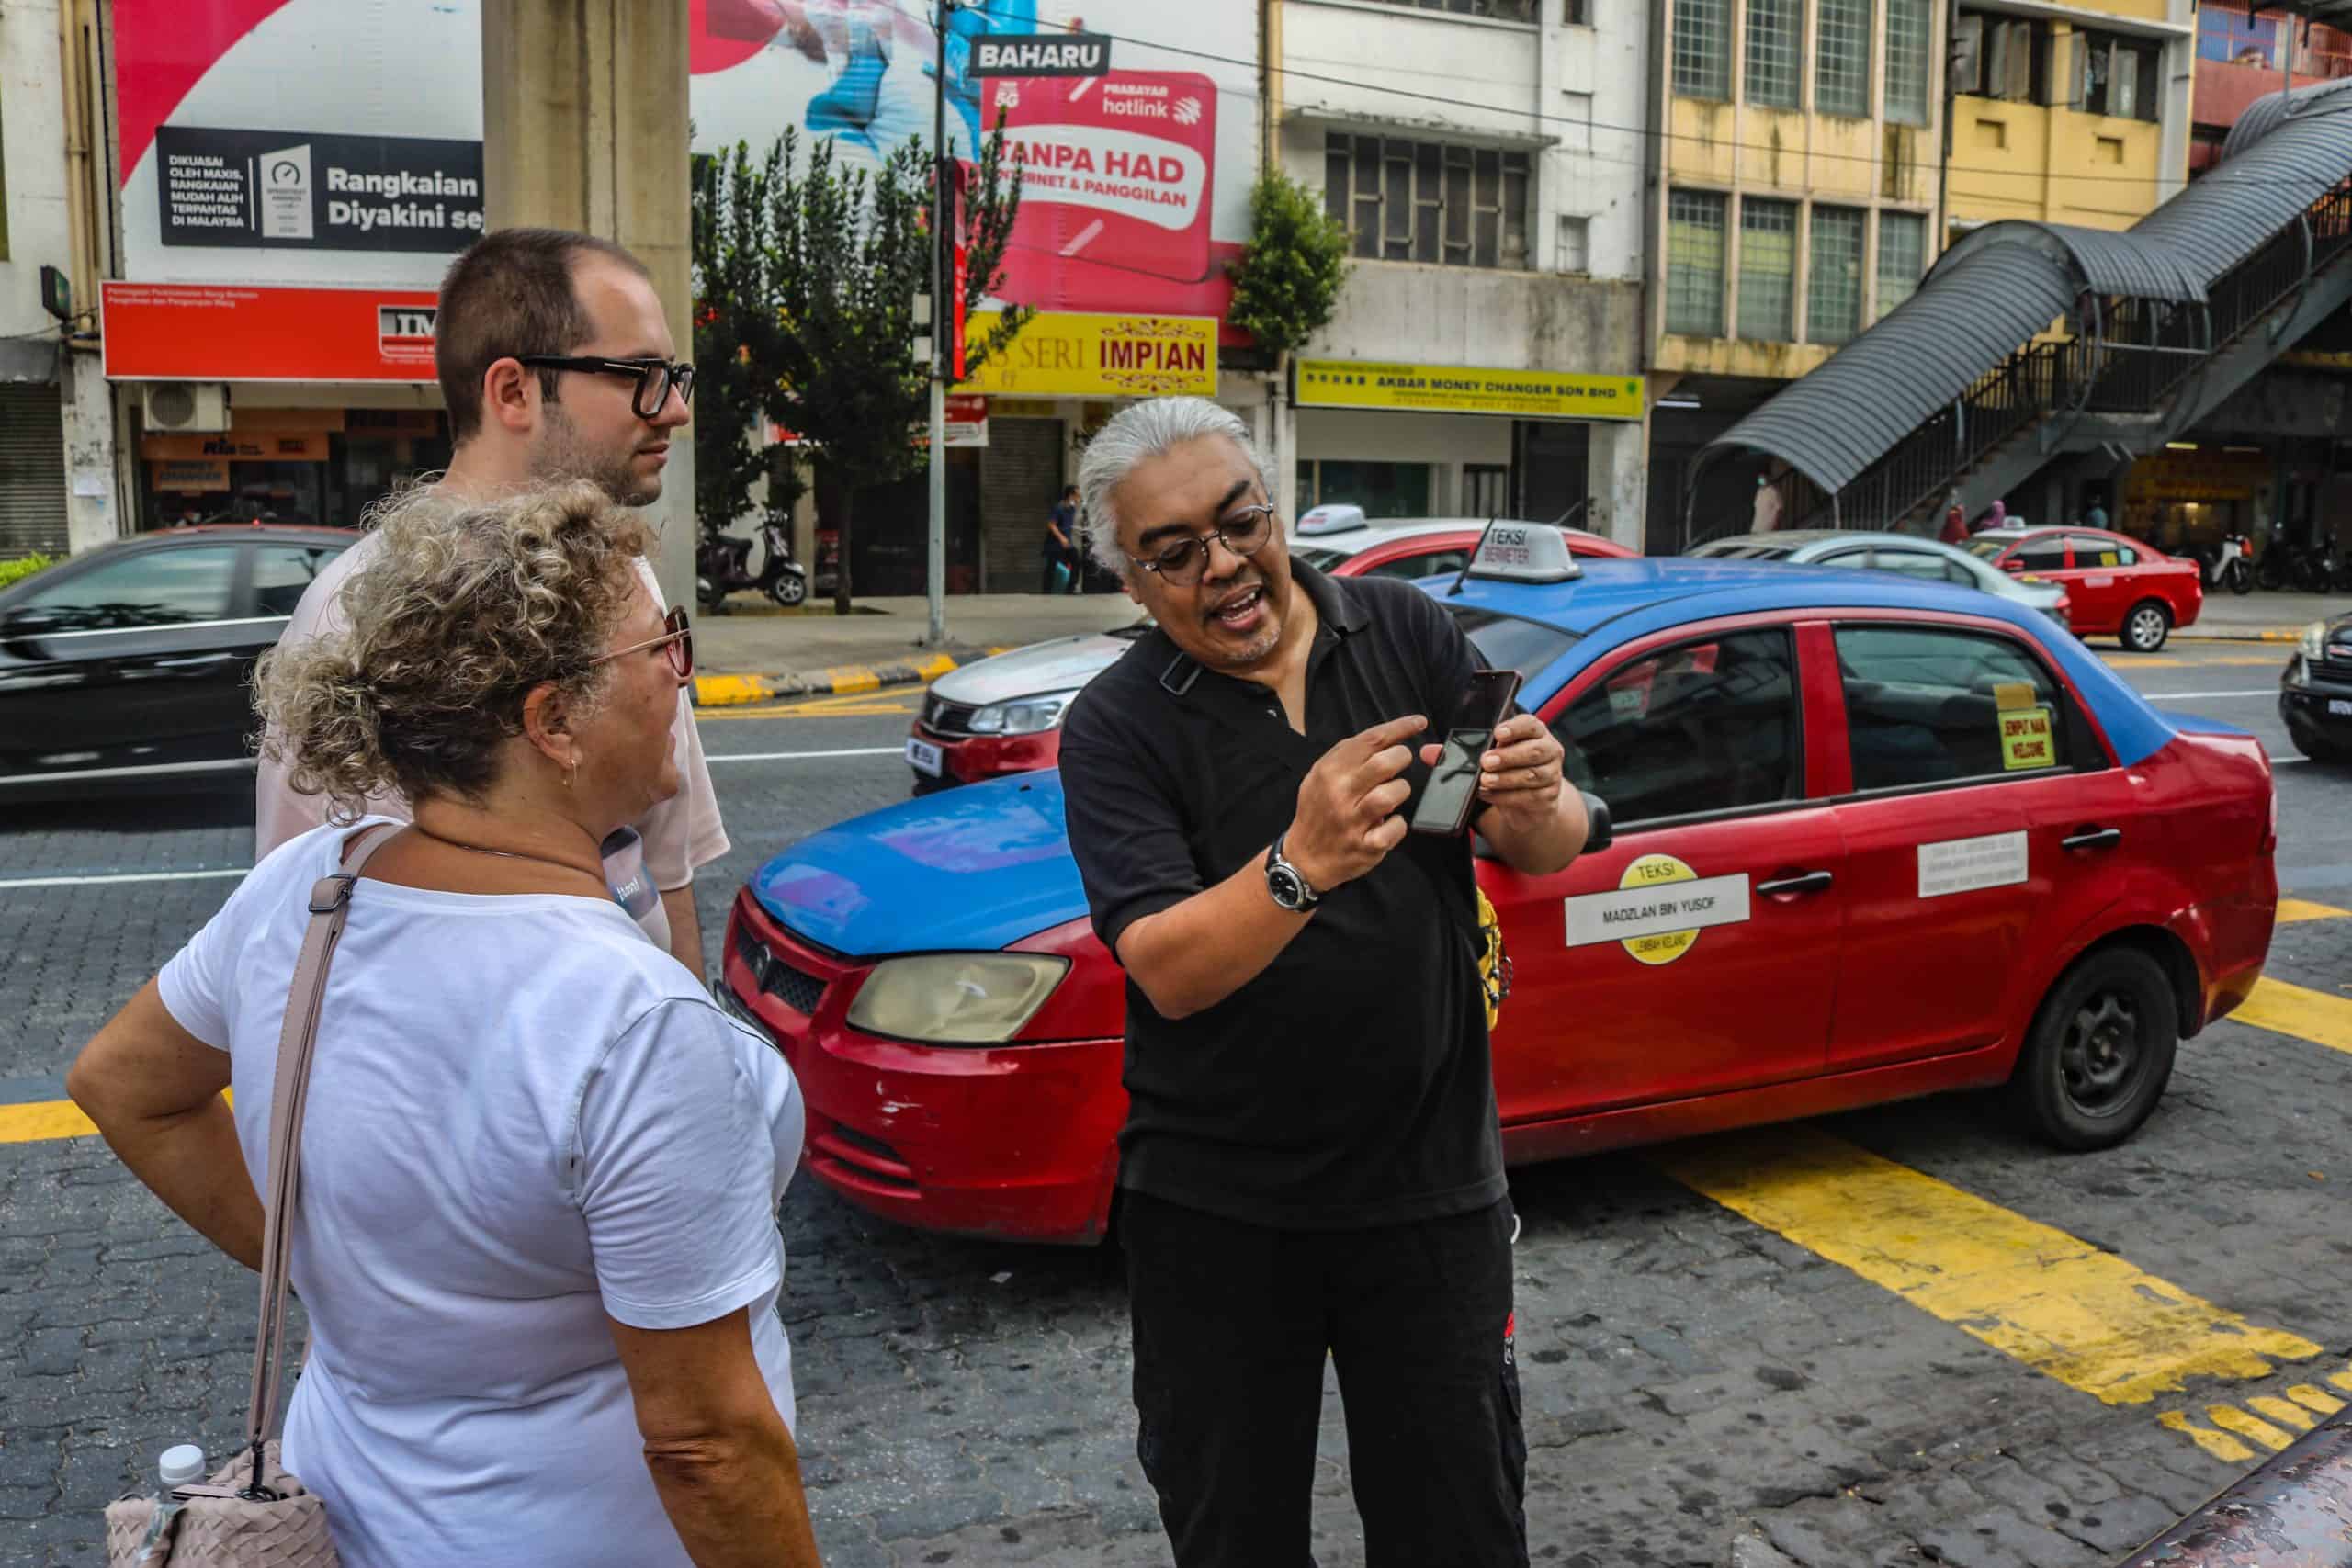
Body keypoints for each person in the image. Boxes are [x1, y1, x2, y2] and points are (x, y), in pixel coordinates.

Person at [68, 485, 821, 1568]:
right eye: (661, 644)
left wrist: (329, 1275)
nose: (678, 672)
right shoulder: (629, 1020)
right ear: (551, 720)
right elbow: (707, 1443)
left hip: (360, 1513)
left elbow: (125, 1084)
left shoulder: (309, 887)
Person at [1056, 398, 1589, 1564]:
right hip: (1221, 1217)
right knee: (1234, 1535)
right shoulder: (1115, 726)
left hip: (1432, 1194)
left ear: (1274, 506)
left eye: (1239, 521)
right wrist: (1299, 867)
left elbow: (1543, 844)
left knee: (1459, 1527)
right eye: (1174, 552)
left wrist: (1544, 799)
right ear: (1134, 584)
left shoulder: (1404, 630)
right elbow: (1164, 969)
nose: (1225, 565)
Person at [254, 226, 724, 973]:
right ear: (513, 391)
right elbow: (303, 925)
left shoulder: (624, 580)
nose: (673, 410)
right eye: (638, 373)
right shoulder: (357, 613)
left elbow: (665, 869)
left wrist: (693, 1042)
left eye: (674, 376)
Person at [1044, 482, 1082, 593]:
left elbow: (1067, 524)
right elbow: (1051, 524)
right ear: (1071, 496)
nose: (1079, 498)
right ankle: (1046, 592)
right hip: (1054, 544)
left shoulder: (1072, 509)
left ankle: (1070, 588)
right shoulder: (1058, 508)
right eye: (1078, 496)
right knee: (1051, 568)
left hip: (1067, 544)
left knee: (1076, 560)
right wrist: (1061, 538)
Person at [1752, 468, 1783, 532]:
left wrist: (1775, 526)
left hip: (1768, 528)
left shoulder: (1773, 491)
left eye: (1762, 477)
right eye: (1759, 478)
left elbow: (1779, 510)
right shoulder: (1759, 491)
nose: (1760, 480)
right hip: (1756, 527)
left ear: (1768, 477)